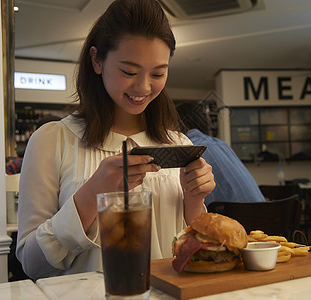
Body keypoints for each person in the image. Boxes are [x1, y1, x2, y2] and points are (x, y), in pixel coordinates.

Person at [16, 0, 215, 280]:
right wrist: (92, 193)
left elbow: (193, 253)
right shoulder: (53, 140)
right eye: (129, 72)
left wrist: (194, 201)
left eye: (158, 73)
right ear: (97, 60)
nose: (143, 87)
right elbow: (31, 262)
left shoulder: (177, 143)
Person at [176, 102, 265, 207]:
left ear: (179, 123)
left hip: (237, 219)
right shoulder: (220, 143)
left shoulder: (189, 151)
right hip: (266, 213)